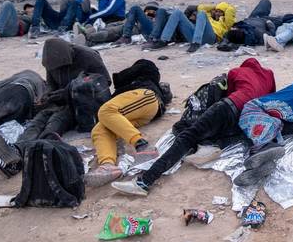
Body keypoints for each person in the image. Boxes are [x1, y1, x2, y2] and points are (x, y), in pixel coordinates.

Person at [112, 58, 276, 196]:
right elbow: (270, 98)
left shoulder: (236, 71)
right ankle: (212, 144)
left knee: (187, 136)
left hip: (229, 106)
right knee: (228, 131)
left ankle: (144, 181)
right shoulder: (269, 75)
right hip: (248, 116)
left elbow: (230, 95)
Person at [10, 38, 111, 157]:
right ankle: (18, 149)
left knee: (57, 119)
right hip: (62, 101)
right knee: (40, 118)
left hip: (85, 103)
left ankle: (42, 146)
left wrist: (71, 90)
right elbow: (51, 85)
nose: (58, 69)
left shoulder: (88, 56)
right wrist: (46, 96)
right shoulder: (52, 62)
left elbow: (105, 81)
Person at [83, 59, 170, 186]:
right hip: (134, 113)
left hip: (146, 96)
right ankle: (107, 165)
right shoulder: (125, 93)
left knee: (105, 111)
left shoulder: (146, 71)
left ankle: (141, 144)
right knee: (99, 128)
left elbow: (119, 78)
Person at [152, 1, 237, 53]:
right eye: (217, 11)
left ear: (225, 13)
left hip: (211, 38)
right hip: (195, 35)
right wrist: (215, 6)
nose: (218, 13)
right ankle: (163, 40)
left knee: (201, 14)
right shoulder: (209, 16)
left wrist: (224, 7)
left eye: (220, 12)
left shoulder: (226, 23)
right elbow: (201, 7)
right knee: (177, 13)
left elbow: (230, 10)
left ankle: (196, 43)